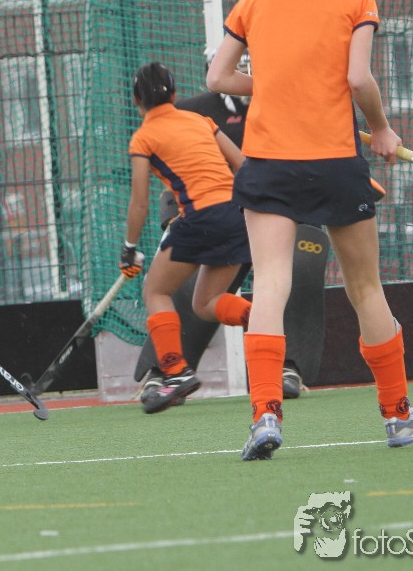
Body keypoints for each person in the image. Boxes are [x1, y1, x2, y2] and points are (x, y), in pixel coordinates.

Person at [207, 0, 413, 460]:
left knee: (271, 284)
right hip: (334, 163)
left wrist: (275, 84)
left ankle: (265, 415)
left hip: (269, 164)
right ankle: (397, 415)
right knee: (365, 288)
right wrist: (382, 129)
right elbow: (358, 79)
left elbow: (218, 79)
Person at [137, 48, 332, 401]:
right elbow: (178, 175)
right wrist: (171, 211)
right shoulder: (192, 113)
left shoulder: (294, 109)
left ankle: (287, 365)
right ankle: (164, 369)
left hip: (286, 212)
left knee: (302, 263)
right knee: (184, 283)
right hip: (229, 215)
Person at [118, 62, 252, 414]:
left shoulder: (143, 138)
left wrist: (129, 249)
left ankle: (175, 371)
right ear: (175, 94)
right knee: (206, 303)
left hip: (200, 217)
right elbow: (242, 164)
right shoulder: (201, 121)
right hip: (235, 215)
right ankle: (262, 320)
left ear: (136, 100)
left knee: (155, 291)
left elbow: (139, 202)